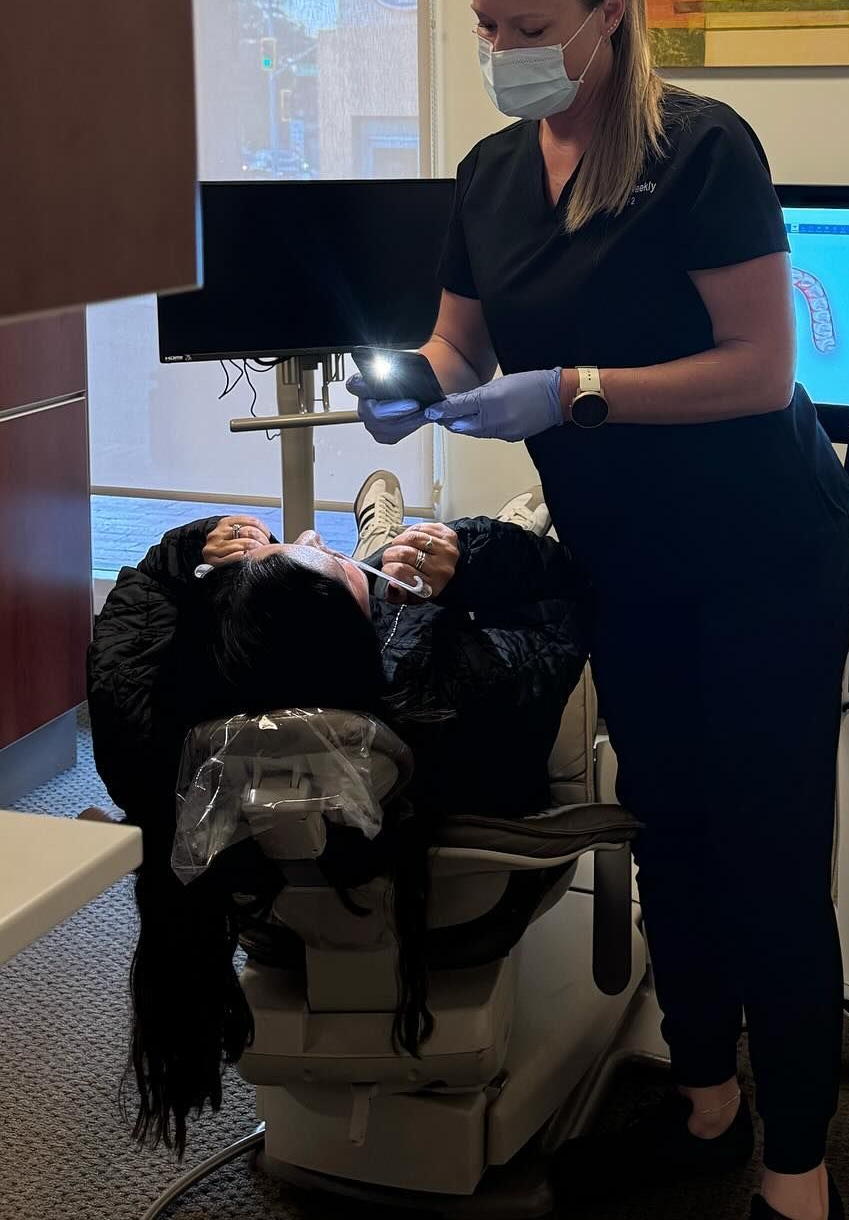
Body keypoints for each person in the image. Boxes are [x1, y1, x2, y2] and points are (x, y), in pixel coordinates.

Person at [347, 0, 849, 1220]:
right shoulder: (492, 174)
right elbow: (462, 338)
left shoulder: (703, 153)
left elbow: (758, 369)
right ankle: (707, 1103)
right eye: (481, 25)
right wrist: (406, 381)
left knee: (765, 852)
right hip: (627, 561)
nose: (499, 52)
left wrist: (575, 388)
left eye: (523, 26)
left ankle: (799, 1173)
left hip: (762, 559)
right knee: (671, 835)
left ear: (608, 14)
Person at [87, 468, 591, 1154]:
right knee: (444, 578)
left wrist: (183, 553)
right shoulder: (460, 698)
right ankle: (407, 543)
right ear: (347, 627)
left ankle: (386, 542)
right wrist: (474, 557)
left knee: (402, 588)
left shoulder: (156, 737)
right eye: (318, 553)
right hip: (464, 913)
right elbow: (566, 595)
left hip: (272, 919)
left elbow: (130, 629)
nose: (306, 530)